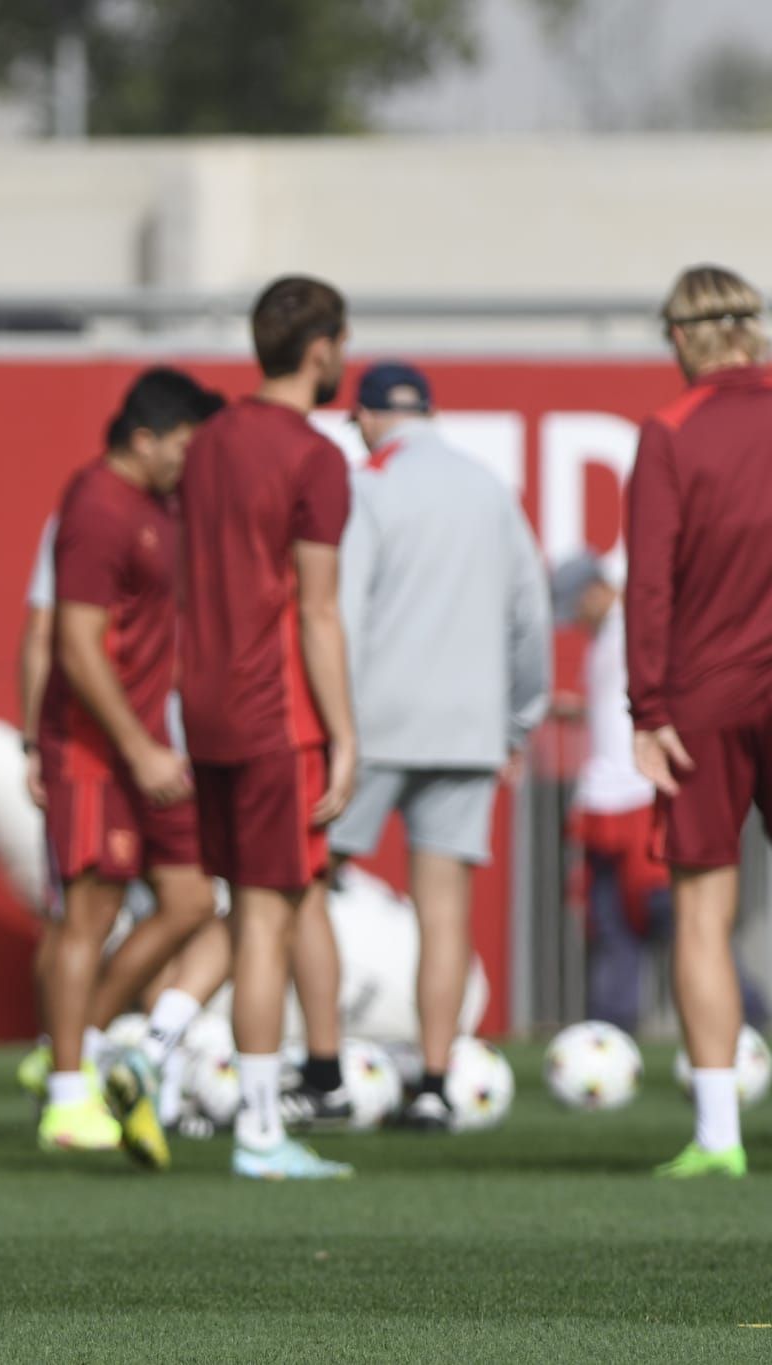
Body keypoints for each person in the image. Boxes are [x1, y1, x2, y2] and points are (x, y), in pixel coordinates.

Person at [329, 361, 551, 1130]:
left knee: (294, 886)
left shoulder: (368, 484)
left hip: (374, 721)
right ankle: (431, 1078)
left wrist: (335, 724)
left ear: (366, 416)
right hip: (467, 725)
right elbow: (531, 612)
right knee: (444, 910)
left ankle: (312, 1064)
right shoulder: (487, 487)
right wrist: (517, 721)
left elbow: (342, 612)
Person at [177, 276, 357, 1181]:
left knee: (247, 908)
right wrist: (348, 736)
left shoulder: (205, 442)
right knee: (266, 917)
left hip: (204, 706)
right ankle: (257, 1128)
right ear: (321, 347)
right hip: (275, 711)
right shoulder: (316, 456)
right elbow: (317, 614)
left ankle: (162, 1042)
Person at [34, 369, 223, 1169]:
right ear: (145, 438)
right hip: (95, 747)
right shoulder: (99, 507)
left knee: (193, 900)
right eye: (186, 443)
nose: (194, 459)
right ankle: (67, 1097)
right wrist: (137, 746)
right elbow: (73, 643)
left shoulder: (158, 508)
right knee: (90, 914)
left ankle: (76, 1044)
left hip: (149, 742)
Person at [624, 264, 772, 1179]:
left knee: (702, 910)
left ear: (680, 339)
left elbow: (650, 582)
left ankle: (718, 1135)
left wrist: (647, 708)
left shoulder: (671, 430)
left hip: (706, 697)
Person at [556, 553, 669, 1032]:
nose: (575, 619)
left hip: (641, 800)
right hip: (606, 801)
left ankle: (748, 1015)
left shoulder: (637, 626)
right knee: (611, 926)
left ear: (595, 590)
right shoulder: (605, 638)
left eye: (576, 605)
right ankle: (611, 1029)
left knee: (680, 919)